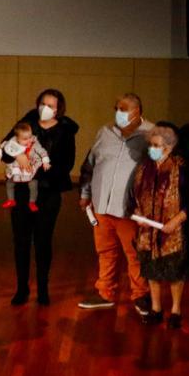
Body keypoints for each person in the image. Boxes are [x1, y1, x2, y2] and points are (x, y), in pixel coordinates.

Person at [0, 89, 78, 305]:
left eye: (51, 105)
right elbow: (5, 149)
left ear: (58, 109)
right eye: (43, 103)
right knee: (21, 241)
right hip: (21, 192)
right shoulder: (27, 123)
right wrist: (19, 153)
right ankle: (21, 288)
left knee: (43, 241)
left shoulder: (65, 131)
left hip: (48, 192)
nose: (46, 108)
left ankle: (43, 288)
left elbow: (66, 165)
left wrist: (35, 168)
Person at [77, 93, 153, 314]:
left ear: (137, 111)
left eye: (124, 109)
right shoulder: (105, 132)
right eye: (117, 108)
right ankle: (105, 292)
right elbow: (89, 165)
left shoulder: (150, 134)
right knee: (105, 251)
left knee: (135, 254)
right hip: (101, 205)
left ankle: (141, 295)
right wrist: (85, 193)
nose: (118, 113)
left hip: (129, 209)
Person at [132, 125, 189, 328]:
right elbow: (136, 194)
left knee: (175, 270)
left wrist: (175, 221)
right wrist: (139, 214)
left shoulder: (180, 167)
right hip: (148, 229)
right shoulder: (144, 167)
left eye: (157, 145)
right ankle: (156, 308)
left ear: (169, 147)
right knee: (151, 270)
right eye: (151, 145)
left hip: (173, 228)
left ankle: (176, 310)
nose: (152, 149)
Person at [0, 123, 49, 213]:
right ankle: (11, 200)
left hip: (30, 166)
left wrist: (45, 161)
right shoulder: (13, 142)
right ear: (17, 138)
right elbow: (4, 146)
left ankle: (32, 202)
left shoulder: (34, 143)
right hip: (17, 168)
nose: (28, 140)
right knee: (9, 183)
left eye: (30, 137)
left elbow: (42, 151)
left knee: (33, 184)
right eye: (25, 139)